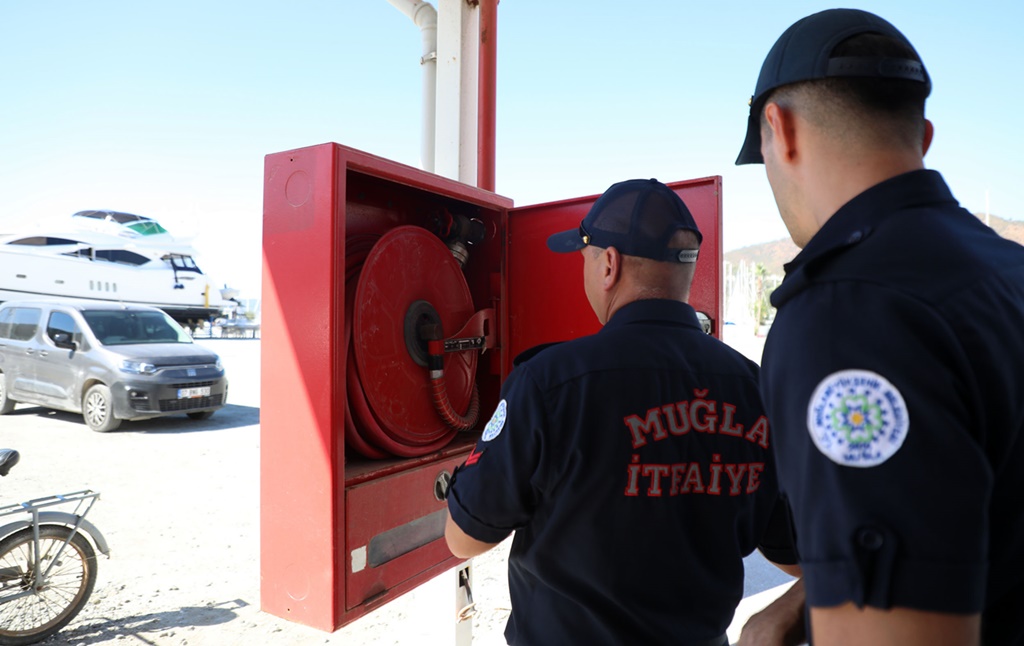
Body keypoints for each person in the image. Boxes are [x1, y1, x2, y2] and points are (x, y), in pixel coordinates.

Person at [736, 8, 1024, 646]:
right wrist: (807, 598)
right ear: (923, 137)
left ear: (779, 130)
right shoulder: (1007, 271)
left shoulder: (845, 313)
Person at [444, 178, 799, 645]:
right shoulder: (756, 390)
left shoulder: (548, 383)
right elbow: (798, 555)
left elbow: (464, 539)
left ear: (609, 264)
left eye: (585, 257)